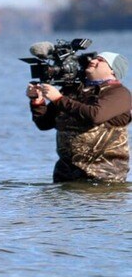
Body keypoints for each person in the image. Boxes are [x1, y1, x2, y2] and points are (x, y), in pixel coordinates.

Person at [28, 51, 132, 183]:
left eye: (101, 60)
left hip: (104, 178)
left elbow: (95, 115)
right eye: (94, 59)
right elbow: (44, 124)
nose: (93, 61)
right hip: (65, 176)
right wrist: (37, 102)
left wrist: (59, 99)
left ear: (113, 71)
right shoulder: (72, 91)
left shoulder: (119, 93)